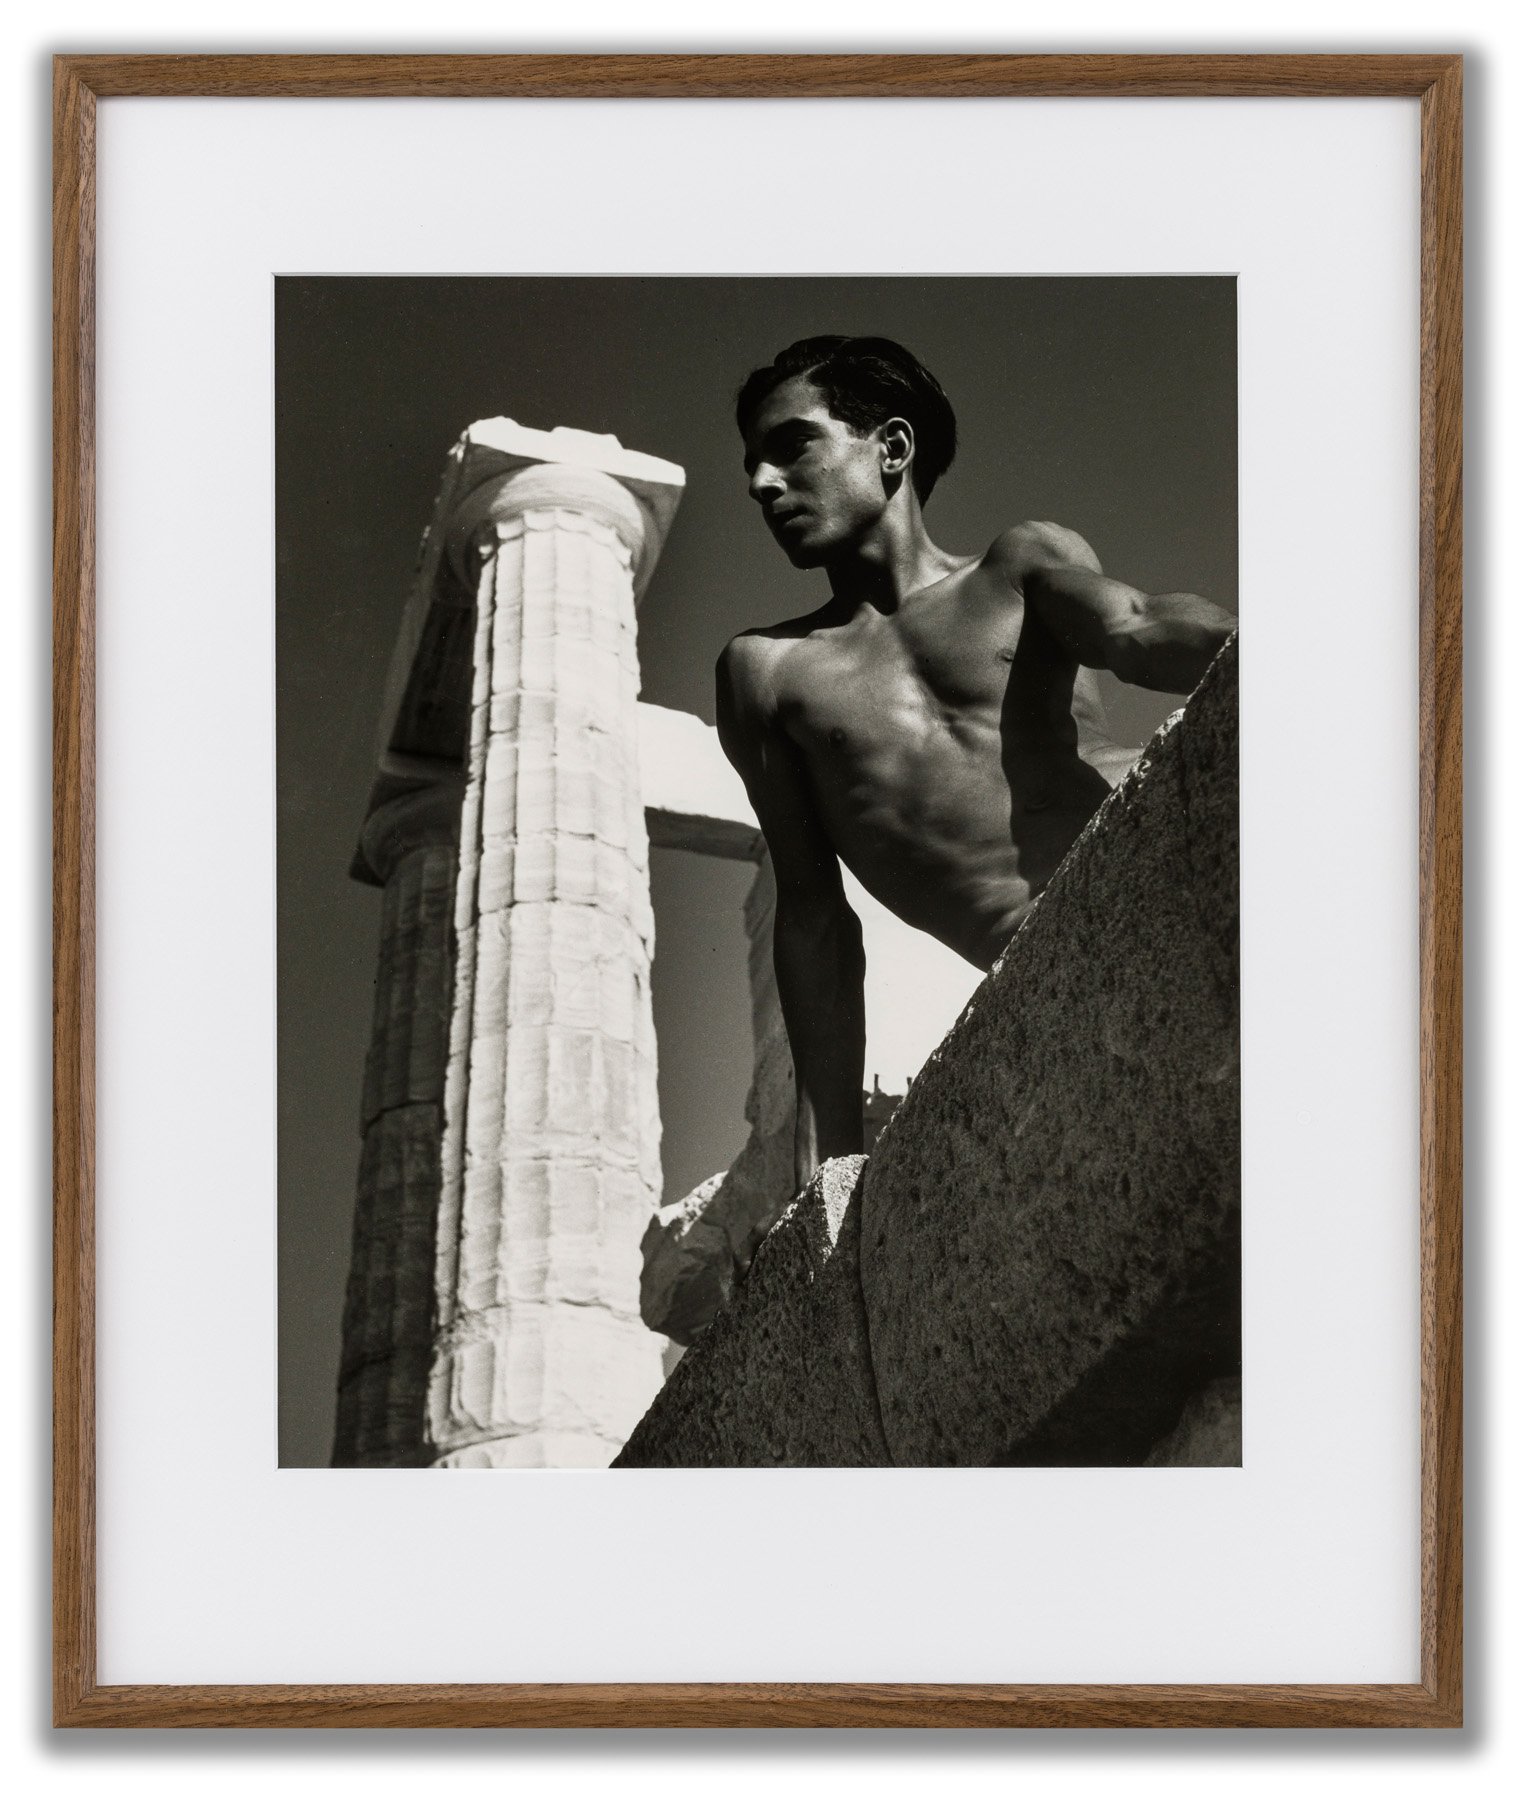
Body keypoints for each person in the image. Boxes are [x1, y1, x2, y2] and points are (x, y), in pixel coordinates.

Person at [717, 335, 1237, 1193]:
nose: (760, 484)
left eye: (791, 445)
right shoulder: (767, 674)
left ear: (890, 448)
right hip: (1046, 964)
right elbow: (813, 920)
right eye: (751, 463)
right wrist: (830, 1178)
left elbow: (1138, 630)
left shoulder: (1020, 563)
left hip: (1170, 864)